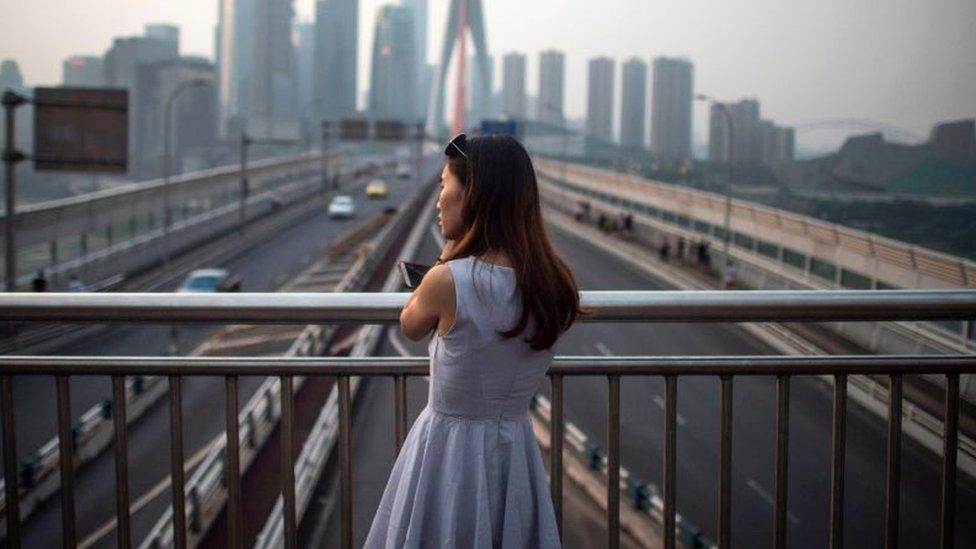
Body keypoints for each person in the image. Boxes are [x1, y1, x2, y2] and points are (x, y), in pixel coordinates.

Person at [365, 134, 582, 548]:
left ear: (472, 197)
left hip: (447, 455)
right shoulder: (553, 283)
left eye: (444, 185)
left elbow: (410, 325)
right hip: (515, 448)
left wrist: (450, 252)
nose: (437, 199)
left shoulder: (448, 280)